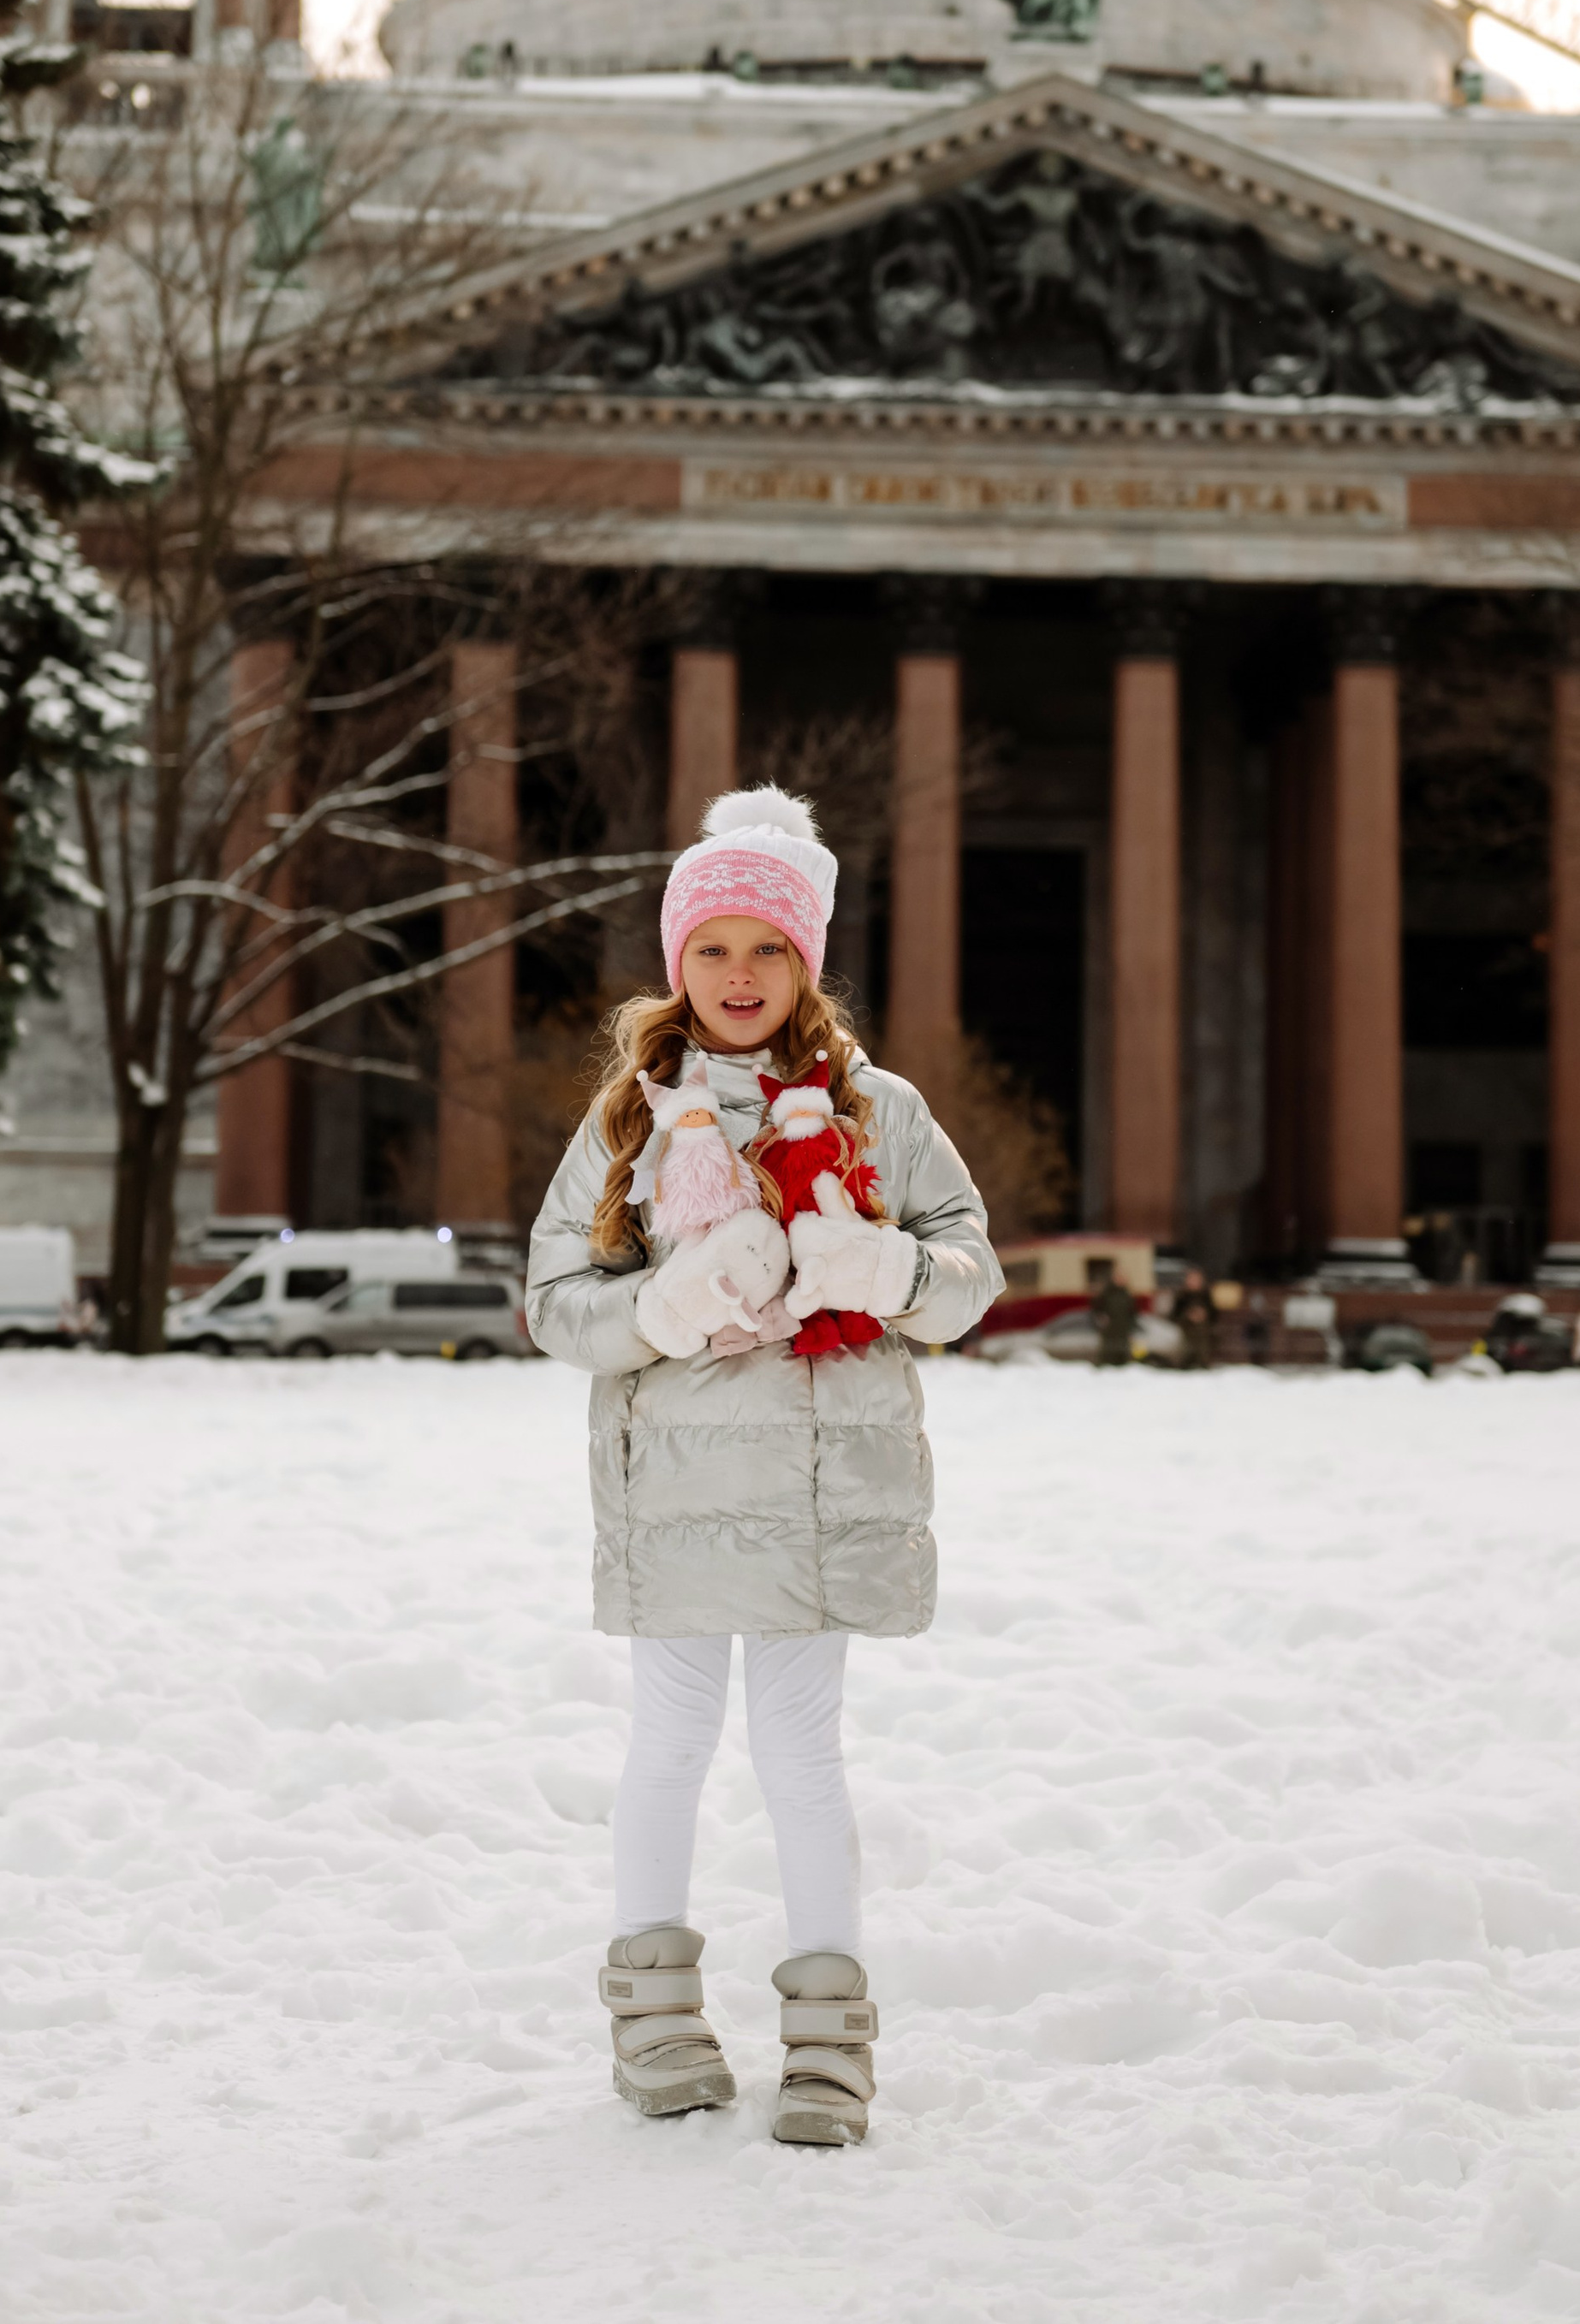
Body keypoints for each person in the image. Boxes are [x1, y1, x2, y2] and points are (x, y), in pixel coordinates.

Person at [527, 785, 1001, 2150]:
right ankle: (657, 2018)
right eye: (714, 950)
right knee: (669, 1743)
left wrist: (893, 1268)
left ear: (809, 963)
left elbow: (971, 1272)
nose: (740, 977)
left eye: (769, 950)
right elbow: (558, 1297)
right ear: (679, 965)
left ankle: (827, 2044)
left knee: (802, 1753)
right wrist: (658, 1314)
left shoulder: (879, 1113)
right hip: (678, 1490)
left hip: (817, 1497)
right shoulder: (633, 1117)